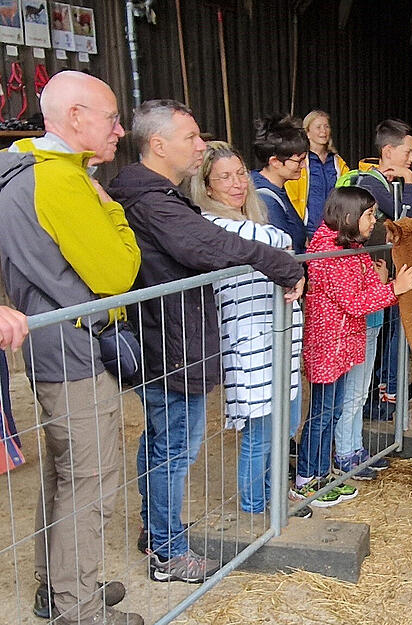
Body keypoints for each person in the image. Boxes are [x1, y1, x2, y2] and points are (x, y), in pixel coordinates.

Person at [107, 100, 305, 585]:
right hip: (169, 342)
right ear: (159, 145)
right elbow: (206, 244)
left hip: (172, 338)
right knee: (175, 448)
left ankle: (155, 530)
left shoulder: (157, 195)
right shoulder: (152, 200)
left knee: (165, 442)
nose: (200, 145)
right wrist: (279, 262)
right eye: (191, 137)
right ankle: (168, 551)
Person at [0, 71, 143, 625]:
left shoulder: (21, 169)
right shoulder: (60, 180)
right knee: (91, 480)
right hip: (77, 351)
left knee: (65, 471)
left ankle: (56, 585)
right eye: (112, 118)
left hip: (50, 347)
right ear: (76, 117)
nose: (119, 129)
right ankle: (78, 608)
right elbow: (118, 272)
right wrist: (112, 208)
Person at [289, 186, 412, 504]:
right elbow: (354, 302)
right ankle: (307, 479)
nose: (374, 221)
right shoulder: (329, 253)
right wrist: (396, 288)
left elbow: (369, 285)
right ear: (350, 216)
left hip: (342, 344)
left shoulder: (351, 247)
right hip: (328, 346)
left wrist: (398, 284)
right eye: (369, 215)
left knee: (332, 411)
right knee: (321, 415)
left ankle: (323, 475)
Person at [189, 141, 304, 514]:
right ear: (208, 188)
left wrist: (283, 256)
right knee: (260, 431)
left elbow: (273, 245)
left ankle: (273, 495)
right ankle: (255, 506)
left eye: (240, 174)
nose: (237, 183)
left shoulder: (252, 221)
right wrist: (284, 253)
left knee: (284, 423)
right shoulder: (213, 225)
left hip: (278, 335)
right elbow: (277, 241)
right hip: (249, 339)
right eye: (224, 177)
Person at [335, 119, 412, 417]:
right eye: (409, 151)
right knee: (373, 340)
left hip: (389, 276)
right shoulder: (369, 185)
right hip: (373, 277)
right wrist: (409, 184)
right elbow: (404, 218)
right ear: (388, 151)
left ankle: (378, 394)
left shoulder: (394, 184)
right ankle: (371, 400)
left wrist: (409, 185)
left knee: (386, 334)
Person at [284, 110, 350, 241]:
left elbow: (347, 193)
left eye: (326, 126)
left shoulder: (337, 162)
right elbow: (292, 198)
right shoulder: (299, 162)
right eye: (318, 127)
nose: (323, 131)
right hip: (309, 230)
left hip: (335, 230)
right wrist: (299, 231)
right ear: (307, 133)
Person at [251, 116, 309, 253]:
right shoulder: (266, 200)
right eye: (299, 161)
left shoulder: (277, 189)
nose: (304, 166)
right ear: (275, 162)